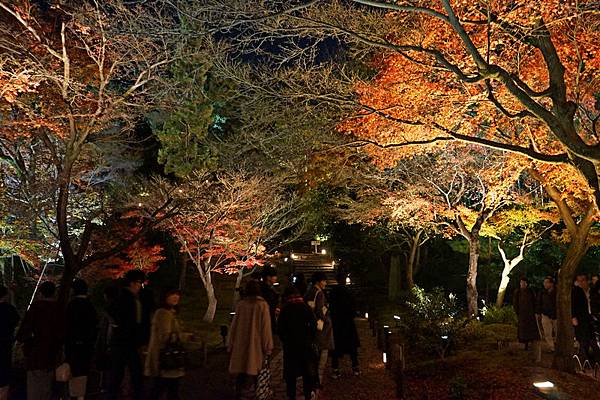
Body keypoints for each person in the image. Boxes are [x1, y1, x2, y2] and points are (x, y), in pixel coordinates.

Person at [16, 281, 64, 400]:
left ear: (41, 293)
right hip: (52, 354)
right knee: (47, 387)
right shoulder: (59, 309)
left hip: (36, 354)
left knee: (34, 389)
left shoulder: (36, 308)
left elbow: (24, 331)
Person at [106, 269, 150, 400]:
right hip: (127, 342)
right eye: (139, 283)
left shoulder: (126, 297)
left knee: (119, 374)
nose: (140, 286)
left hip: (123, 341)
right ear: (132, 283)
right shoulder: (129, 298)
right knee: (133, 374)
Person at [228, 280, 273, 400]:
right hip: (255, 346)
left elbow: (234, 326)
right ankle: (252, 394)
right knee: (253, 372)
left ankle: (239, 394)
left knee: (240, 373)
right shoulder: (262, 305)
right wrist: (268, 347)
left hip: (240, 344)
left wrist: (230, 343)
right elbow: (266, 328)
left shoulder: (241, 304)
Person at [278, 287, 318, 400]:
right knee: (307, 372)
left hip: (290, 346)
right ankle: (307, 394)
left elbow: (280, 328)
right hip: (305, 345)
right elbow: (314, 325)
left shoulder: (285, 310)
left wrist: (285, 340)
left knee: (291, 374)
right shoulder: (306, 308)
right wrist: (310, 338)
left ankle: (291, 395)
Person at [144, 289, 185, 400]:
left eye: (177, 294)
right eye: (172, 294)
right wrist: (183, 336)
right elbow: (165, 337)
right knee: (165, 389)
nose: (175, 297)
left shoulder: (170, 312)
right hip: (165, 359)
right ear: (164, 297)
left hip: (167, 359)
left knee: (164, 389)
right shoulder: (163, 313)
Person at [65, 279, 98, 400]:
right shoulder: (90, 306)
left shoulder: (72, 305)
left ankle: (75, 394)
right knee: (83, 371)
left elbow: (68, 326)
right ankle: (81, 395)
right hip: (87, 345)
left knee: (75, 371)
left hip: (74, 345)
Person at [305, 272, 334, 388]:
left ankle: (311, 379)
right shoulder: (319, 293)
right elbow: (319, 311)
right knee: (317, 354)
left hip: (308, 325)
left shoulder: (309, 292)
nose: (325, 283)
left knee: (311, 353)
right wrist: (327, 320)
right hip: (318, 326)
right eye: (324, 281)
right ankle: (315, 380)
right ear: (318, 281)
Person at [329, 274, 360, 378]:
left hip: (337, 322)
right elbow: (354, 306)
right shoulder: (349, 292)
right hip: (348, 322)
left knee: (336, 347)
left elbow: (331, 306)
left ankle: (335, 369)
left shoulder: (333, 292)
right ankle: (355, 367)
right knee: (352, 347)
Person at [0, 285, 19, 400]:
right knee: (4, 378)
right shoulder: (9, 309)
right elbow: (16, 320)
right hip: (5, 346)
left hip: (5, 345)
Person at [512, 277, 540, 350]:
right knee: (522, 330)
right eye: (521, 282)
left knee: (530, 330)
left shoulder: (530, 292)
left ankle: (530, 343)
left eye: (524, 283)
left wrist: (535, 311)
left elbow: (534, 302)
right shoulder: (517, 292)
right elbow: (515, 303)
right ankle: (524, 343)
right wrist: (517, 311)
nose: (522, 284)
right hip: (522, 314)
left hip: (530, 314)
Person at [572, 273, 593, 361]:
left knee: (591, 338)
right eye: (579, 281)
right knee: (582, 338)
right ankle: (585, 357)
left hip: (592, 317)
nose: (581, 283)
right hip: (581, 318)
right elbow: (573, 305)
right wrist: (573, 317)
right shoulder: (576, 292)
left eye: (583, 280)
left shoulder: (592, 291)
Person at [536, 276, 557, 352]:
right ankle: (551, 347)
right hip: (545, 314)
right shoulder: (542, 292)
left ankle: (557, 346)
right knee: (547, 332)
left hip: (555, 315)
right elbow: (539, 302)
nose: (544, 284)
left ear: (551, 284)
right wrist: (538, 312)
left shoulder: (557, 292)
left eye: (546, 282)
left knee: (558, 331)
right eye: (544, 282)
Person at [260, 266, 280, 335]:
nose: (276, 278)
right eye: (274, 276)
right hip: (267, 320)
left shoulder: (265, 289)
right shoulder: (267, 291)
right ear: (268, 277)